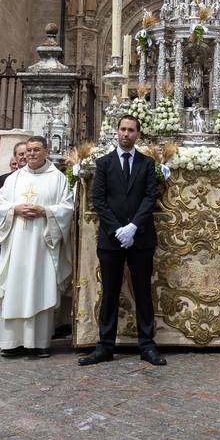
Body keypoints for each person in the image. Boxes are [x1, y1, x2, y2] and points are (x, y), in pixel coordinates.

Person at [80, 115, 166, 366]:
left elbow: (151, 197)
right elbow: (99, 199)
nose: (126, 134)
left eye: (131, 130)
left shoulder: (147, 163)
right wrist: (118, 229)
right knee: (110, 292)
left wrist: (133, 227)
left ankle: (147, 345)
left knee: (143, 292)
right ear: (116, 132)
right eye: (122, 129)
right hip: (111, 238)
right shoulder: (104, 163)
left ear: (138, 134)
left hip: (140, 237)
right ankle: (105, 346)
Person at [0, 135, 75, 357]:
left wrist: (46, 212)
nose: (31, 154)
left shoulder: (58, 178)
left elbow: (67, 207)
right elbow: (0, 204)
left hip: (43, 244)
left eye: (36, 150)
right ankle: (11, 343)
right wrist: (15, 210)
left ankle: (38, 342)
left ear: (46, 151)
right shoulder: (14, 178)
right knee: (15, 287)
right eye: (28, 150)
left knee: (40, 287)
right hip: (17, 243)